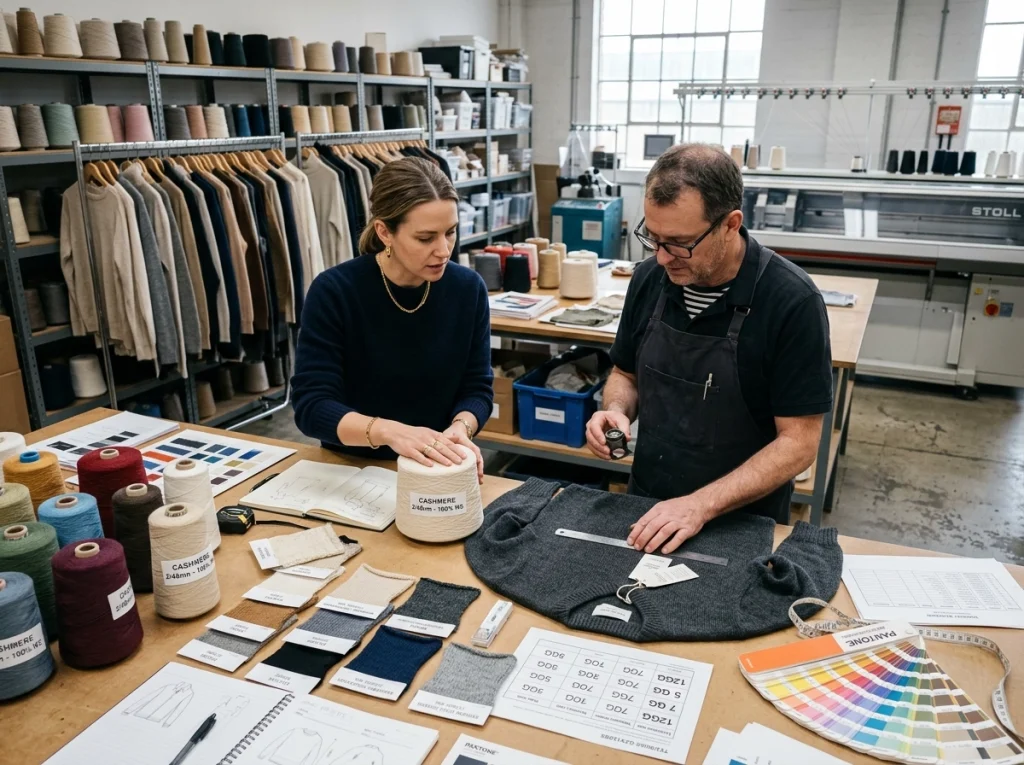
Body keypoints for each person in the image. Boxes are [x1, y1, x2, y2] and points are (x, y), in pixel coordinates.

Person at [586, 143, 832, 552]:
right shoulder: (649, 279)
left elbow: (800, 443)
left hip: (742, 523)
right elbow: (625, 373)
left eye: (679, 243)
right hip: (648, 509)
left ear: (730, 224)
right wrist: (615, 410)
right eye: (653, 238)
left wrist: (699, 506)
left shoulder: (791, 302)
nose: (663, 258)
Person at [292, 157, 491, 480]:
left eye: (450, 233)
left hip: (435, 470)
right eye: (426, 238)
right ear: (385, 232)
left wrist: (461, 427)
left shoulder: (467, 289)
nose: (444, 250)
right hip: (350, 471)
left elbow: (477, 387)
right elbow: (312, 406)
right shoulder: (335, 292)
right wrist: (390, 432)